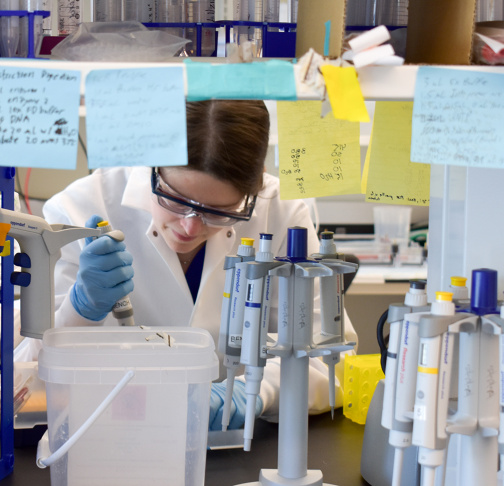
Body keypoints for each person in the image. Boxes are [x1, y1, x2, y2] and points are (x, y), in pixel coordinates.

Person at [42, 99, 357, 427]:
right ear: (152, 166)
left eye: (219, 212)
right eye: (175, 200)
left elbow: (332, 357)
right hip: (109, 434)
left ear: (255, 187)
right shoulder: (78, 209)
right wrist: (79, 312)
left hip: (234, 444)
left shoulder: (281, 213)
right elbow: (22, 377)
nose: (190, 226)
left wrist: (258, 390)